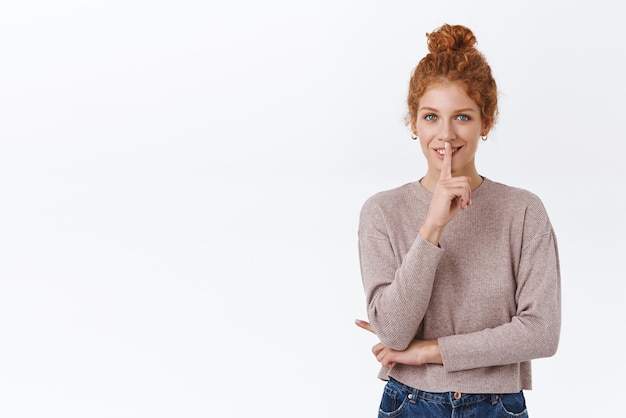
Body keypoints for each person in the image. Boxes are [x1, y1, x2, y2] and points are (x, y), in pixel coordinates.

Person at [355, 23, 561, 418]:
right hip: (410, 404)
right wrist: (431, 227)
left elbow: (541, 331)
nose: (445, 134)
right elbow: (394, 332)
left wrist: (429, 352)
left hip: (497, 405)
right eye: (431, 116)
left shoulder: (522, 211)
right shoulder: (382, 211)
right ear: (413, 124)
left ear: (486, 123)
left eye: (462, 117)